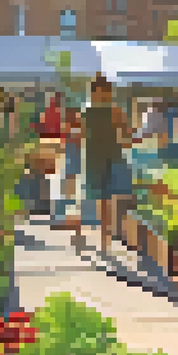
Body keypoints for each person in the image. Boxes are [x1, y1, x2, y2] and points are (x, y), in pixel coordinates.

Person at [78, 75, 132, 254]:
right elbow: (126, 136)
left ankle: (106, 239)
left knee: (105, 199)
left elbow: (84, 135)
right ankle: (105, 239)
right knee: (105, 200)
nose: (102, 95)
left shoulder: (89, 112)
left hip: (102, 156)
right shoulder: (93, 112)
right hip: (103, 157)